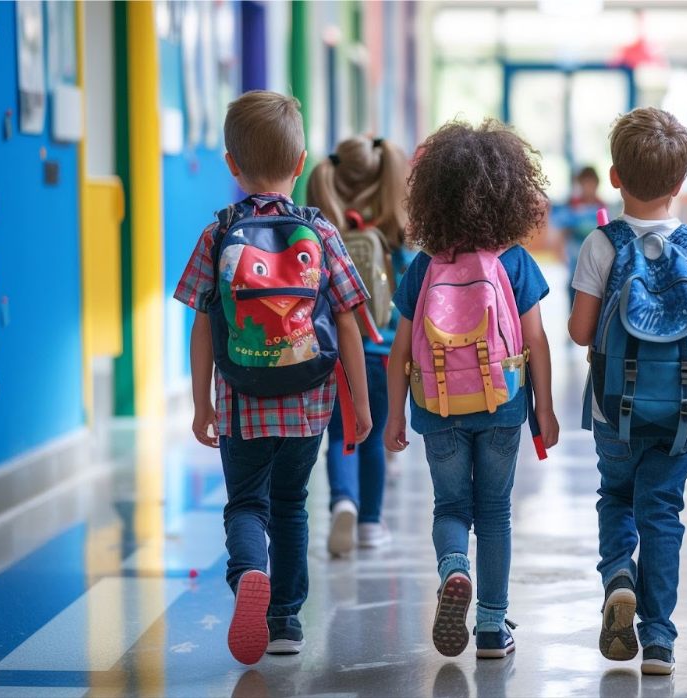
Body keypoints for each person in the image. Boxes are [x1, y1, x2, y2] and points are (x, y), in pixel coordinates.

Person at [174, 91, 373, 664]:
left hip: (241, 403)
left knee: (245, 506)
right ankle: (285, 622)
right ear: (302, 160)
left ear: (232, 165)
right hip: (309, 404)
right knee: (290, 505)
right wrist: (359, 404)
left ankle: (249, 574)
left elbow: (203, 328)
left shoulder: (218, 236)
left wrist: (200, 405)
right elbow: (351, 324)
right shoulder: (322, 232)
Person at [568, 107, 687, 676]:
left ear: (615, 176)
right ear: (681, 183)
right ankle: (661, 641)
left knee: (616, 496)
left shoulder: (602, 244)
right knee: (662, 514)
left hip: (612, 410)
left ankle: (619, 574)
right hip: (678, 413)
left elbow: (578, 331)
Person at [383, 119, 560, 660]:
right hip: (503, 404)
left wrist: (395, 416)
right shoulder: (514, 260)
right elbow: (536, 340)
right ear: (508, 191)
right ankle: (489, 627)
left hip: (437, 406)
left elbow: (399, 349)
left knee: (451, 506)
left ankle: (453, 568)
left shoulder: (424, 265)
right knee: (495, 513)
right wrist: (544, 411)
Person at [306, 135, 412, 555]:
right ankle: (370, 522)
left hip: (332, 356)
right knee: (373, 436)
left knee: (340, 435)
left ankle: (342, 502)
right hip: (383, 355)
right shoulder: (396, 236)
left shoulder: (322, 236)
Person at [563, 166, 607, 305]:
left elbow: (606, 233)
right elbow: (564, 231)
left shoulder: (602, 206)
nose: (588, 187)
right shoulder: (573, 205)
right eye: (585, 183)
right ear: (580, 184)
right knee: (574, 289)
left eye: (591, 184)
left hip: (596, 259)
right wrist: (562, 253)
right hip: (575, 259)